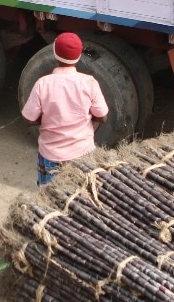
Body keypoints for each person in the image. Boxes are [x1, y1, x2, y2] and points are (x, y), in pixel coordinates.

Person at [21, 32, 108, 186]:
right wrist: (86, 118)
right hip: (83, 153)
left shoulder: (43, 83)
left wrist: (49, 118)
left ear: (55, 56)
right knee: (82, 197)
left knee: (49, 197)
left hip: (50, 155)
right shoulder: (89, 82)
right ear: (79, 56)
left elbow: (29, 119)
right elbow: (102, 116)